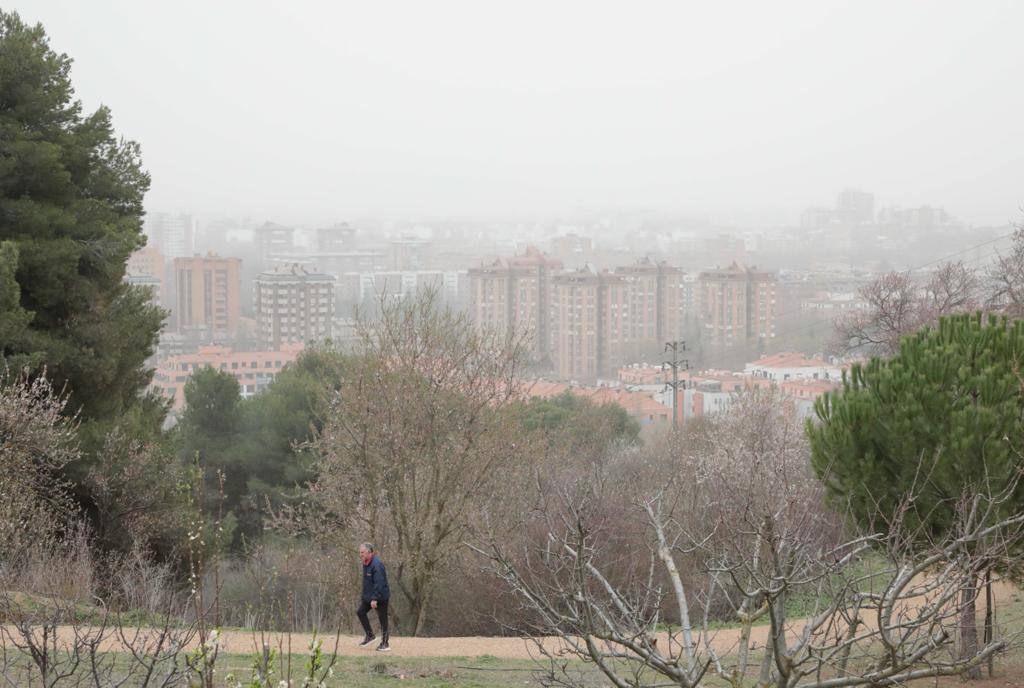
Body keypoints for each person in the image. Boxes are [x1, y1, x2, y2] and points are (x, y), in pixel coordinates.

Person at [356, 542, 390, 652]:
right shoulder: (365, 563)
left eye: (362, 552)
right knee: (360, 612)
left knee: (383, 619)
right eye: (360, 552)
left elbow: (379, 583)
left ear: (369, 552)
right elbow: (367, 582)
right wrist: (365, 597)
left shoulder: (377, 565)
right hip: (369, 597)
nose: (360, 554)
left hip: (380, 596)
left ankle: (385, 643)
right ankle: (370, 635)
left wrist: (375, 598)